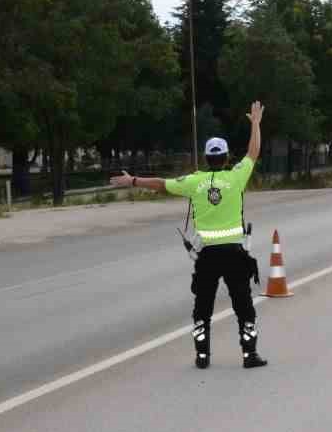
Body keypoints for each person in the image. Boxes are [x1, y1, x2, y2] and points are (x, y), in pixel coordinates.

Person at [111, 101, 268, 370]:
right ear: (228, 157)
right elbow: (253, 153)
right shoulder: (236, 177)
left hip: (207, 255)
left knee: (202, 308)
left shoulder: (194, 182)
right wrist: (255, 123)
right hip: (234, 253)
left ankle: (202, 356)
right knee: (244, 306)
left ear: (207, 159)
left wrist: (133, 181)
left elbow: (161, 185)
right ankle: (249, 355)